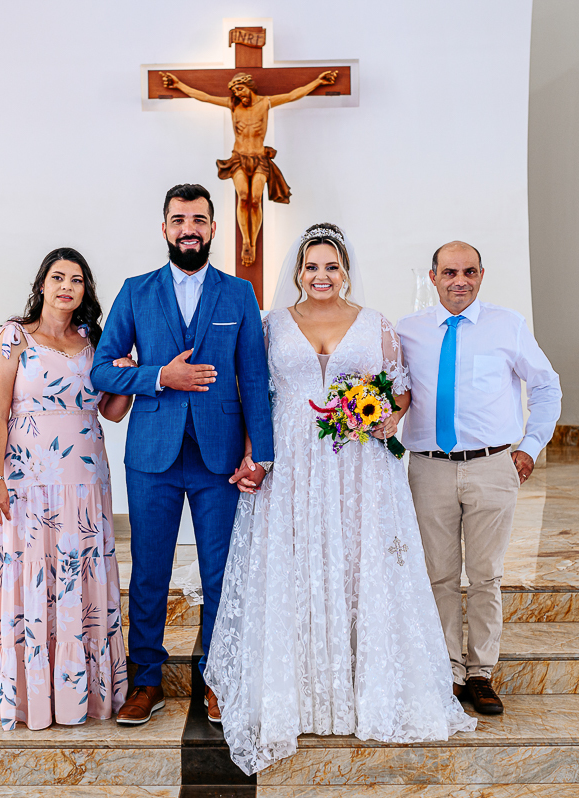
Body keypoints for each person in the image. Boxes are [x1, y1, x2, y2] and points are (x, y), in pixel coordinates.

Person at [204, 223, 477, 775]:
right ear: (298, 272)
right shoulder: (271, 325)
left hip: (357, 465)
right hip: (293, 464)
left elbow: (400, 389)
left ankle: (362, 688)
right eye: (311, 267)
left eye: (331, 266)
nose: (321, 276)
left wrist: (382, 418)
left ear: (345, 269)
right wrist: (255, 455)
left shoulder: (376, 324)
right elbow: (259, 393)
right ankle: (298, 689)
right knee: (294, 562)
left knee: (358, 564)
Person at [90, 183, 275, 727]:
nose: (188, 228)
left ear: (214, 228)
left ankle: (217, 679)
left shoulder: (239, 293)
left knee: (221, 574)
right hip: (153, 456)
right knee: (149, 571)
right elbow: (102, 369)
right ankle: (145, 680)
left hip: (220, 459)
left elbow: (255, 378)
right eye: (178, 219)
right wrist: (158, 376)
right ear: (165, 228)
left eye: (198, 219)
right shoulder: (135, 292)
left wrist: (259, 455)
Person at [396, 241, 562, 716]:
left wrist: (530, 447)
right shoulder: (408, 332)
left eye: (469, 271)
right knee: (440, 574)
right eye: (449, 272)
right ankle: (447, 670)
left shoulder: (507, 325)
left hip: (493, 465)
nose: (459, 281)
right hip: (428, 467)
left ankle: (481, 672)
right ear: (433, 278)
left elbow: (547, 386)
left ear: (482, 275)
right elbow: (389, 392)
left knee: (486, 575)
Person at [0, 247, 133, 730]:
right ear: (42, 284)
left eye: (78, 279)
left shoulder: (94, 340)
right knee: (33, 577)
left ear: (85, 290)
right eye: (58, 276)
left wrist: (128, 375)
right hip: (28, 484)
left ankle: (82, 699)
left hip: (85, 484)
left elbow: (110, 411)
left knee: (80, 580)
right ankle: (32, 697)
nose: (67, 286)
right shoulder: (14, 337)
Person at [157, 70, 337, 267]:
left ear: (249, 86)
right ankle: (247, 242)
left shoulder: (265, 102)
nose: (238, 95)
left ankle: (253, 237)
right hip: (239, 159)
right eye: (235, 92)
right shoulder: (233, 106)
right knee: (243, 196)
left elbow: (294, 94)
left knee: (255, 198)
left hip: (259, 158)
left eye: (240, 89)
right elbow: (205, 97)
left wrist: (318, 82)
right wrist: (179, 85)